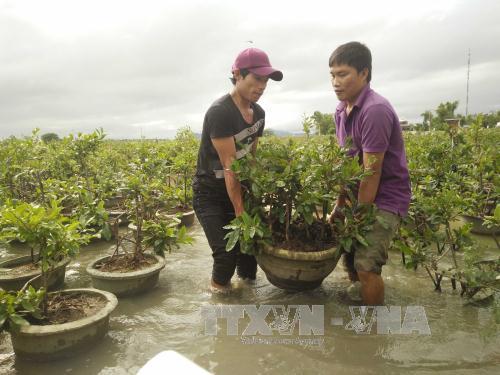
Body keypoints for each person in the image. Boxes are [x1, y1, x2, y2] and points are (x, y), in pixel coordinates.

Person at [193, 48, 283, 292]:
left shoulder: (259, 114)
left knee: (249, 254)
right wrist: (243, 217)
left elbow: (250, 161)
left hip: (239, 188)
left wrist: (259, 198)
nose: (262, 86)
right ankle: (220, 308)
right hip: (210, 192)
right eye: (257, 78)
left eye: (266, 80)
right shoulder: (220, 112)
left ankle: (246, 303)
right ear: (237, 74)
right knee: (225, 256)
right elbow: (231, 168)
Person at [329, 41, 411, 305]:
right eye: (332, 75)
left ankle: (371, 334)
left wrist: (360, 217)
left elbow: (371, 172)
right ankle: (358, 303)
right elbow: (347, 164)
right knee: (351, 260)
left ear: (364, 73)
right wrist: (340, 204)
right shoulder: (341, 111)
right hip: (359, 194)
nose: (335, 82)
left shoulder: (375, 110)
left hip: (384, 197)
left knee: (366, 267)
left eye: (343, 74)